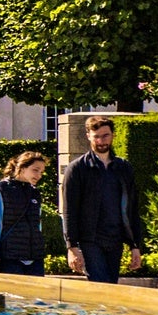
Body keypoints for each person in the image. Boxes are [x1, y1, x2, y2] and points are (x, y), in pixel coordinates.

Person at [61, 116, 144, 284]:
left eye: (105, 135)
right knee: (100, 284)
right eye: (96, 136)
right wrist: (72, 247)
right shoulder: (77, 169)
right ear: (88, 136)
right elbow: (69, 210)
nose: (101, 141)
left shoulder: (123, 167)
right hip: (90, 239)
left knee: (110, 286)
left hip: (116, 238)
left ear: (113, 135)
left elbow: (132, 209)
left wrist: (135, 246)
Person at [0, 150, 49, 276]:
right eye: (35, 170)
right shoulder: (0, 189)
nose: (39, 175)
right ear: (22, 168)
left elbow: (37, 224)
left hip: (35, 257)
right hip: (10, 258)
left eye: (41, 172)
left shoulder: (35, 192)